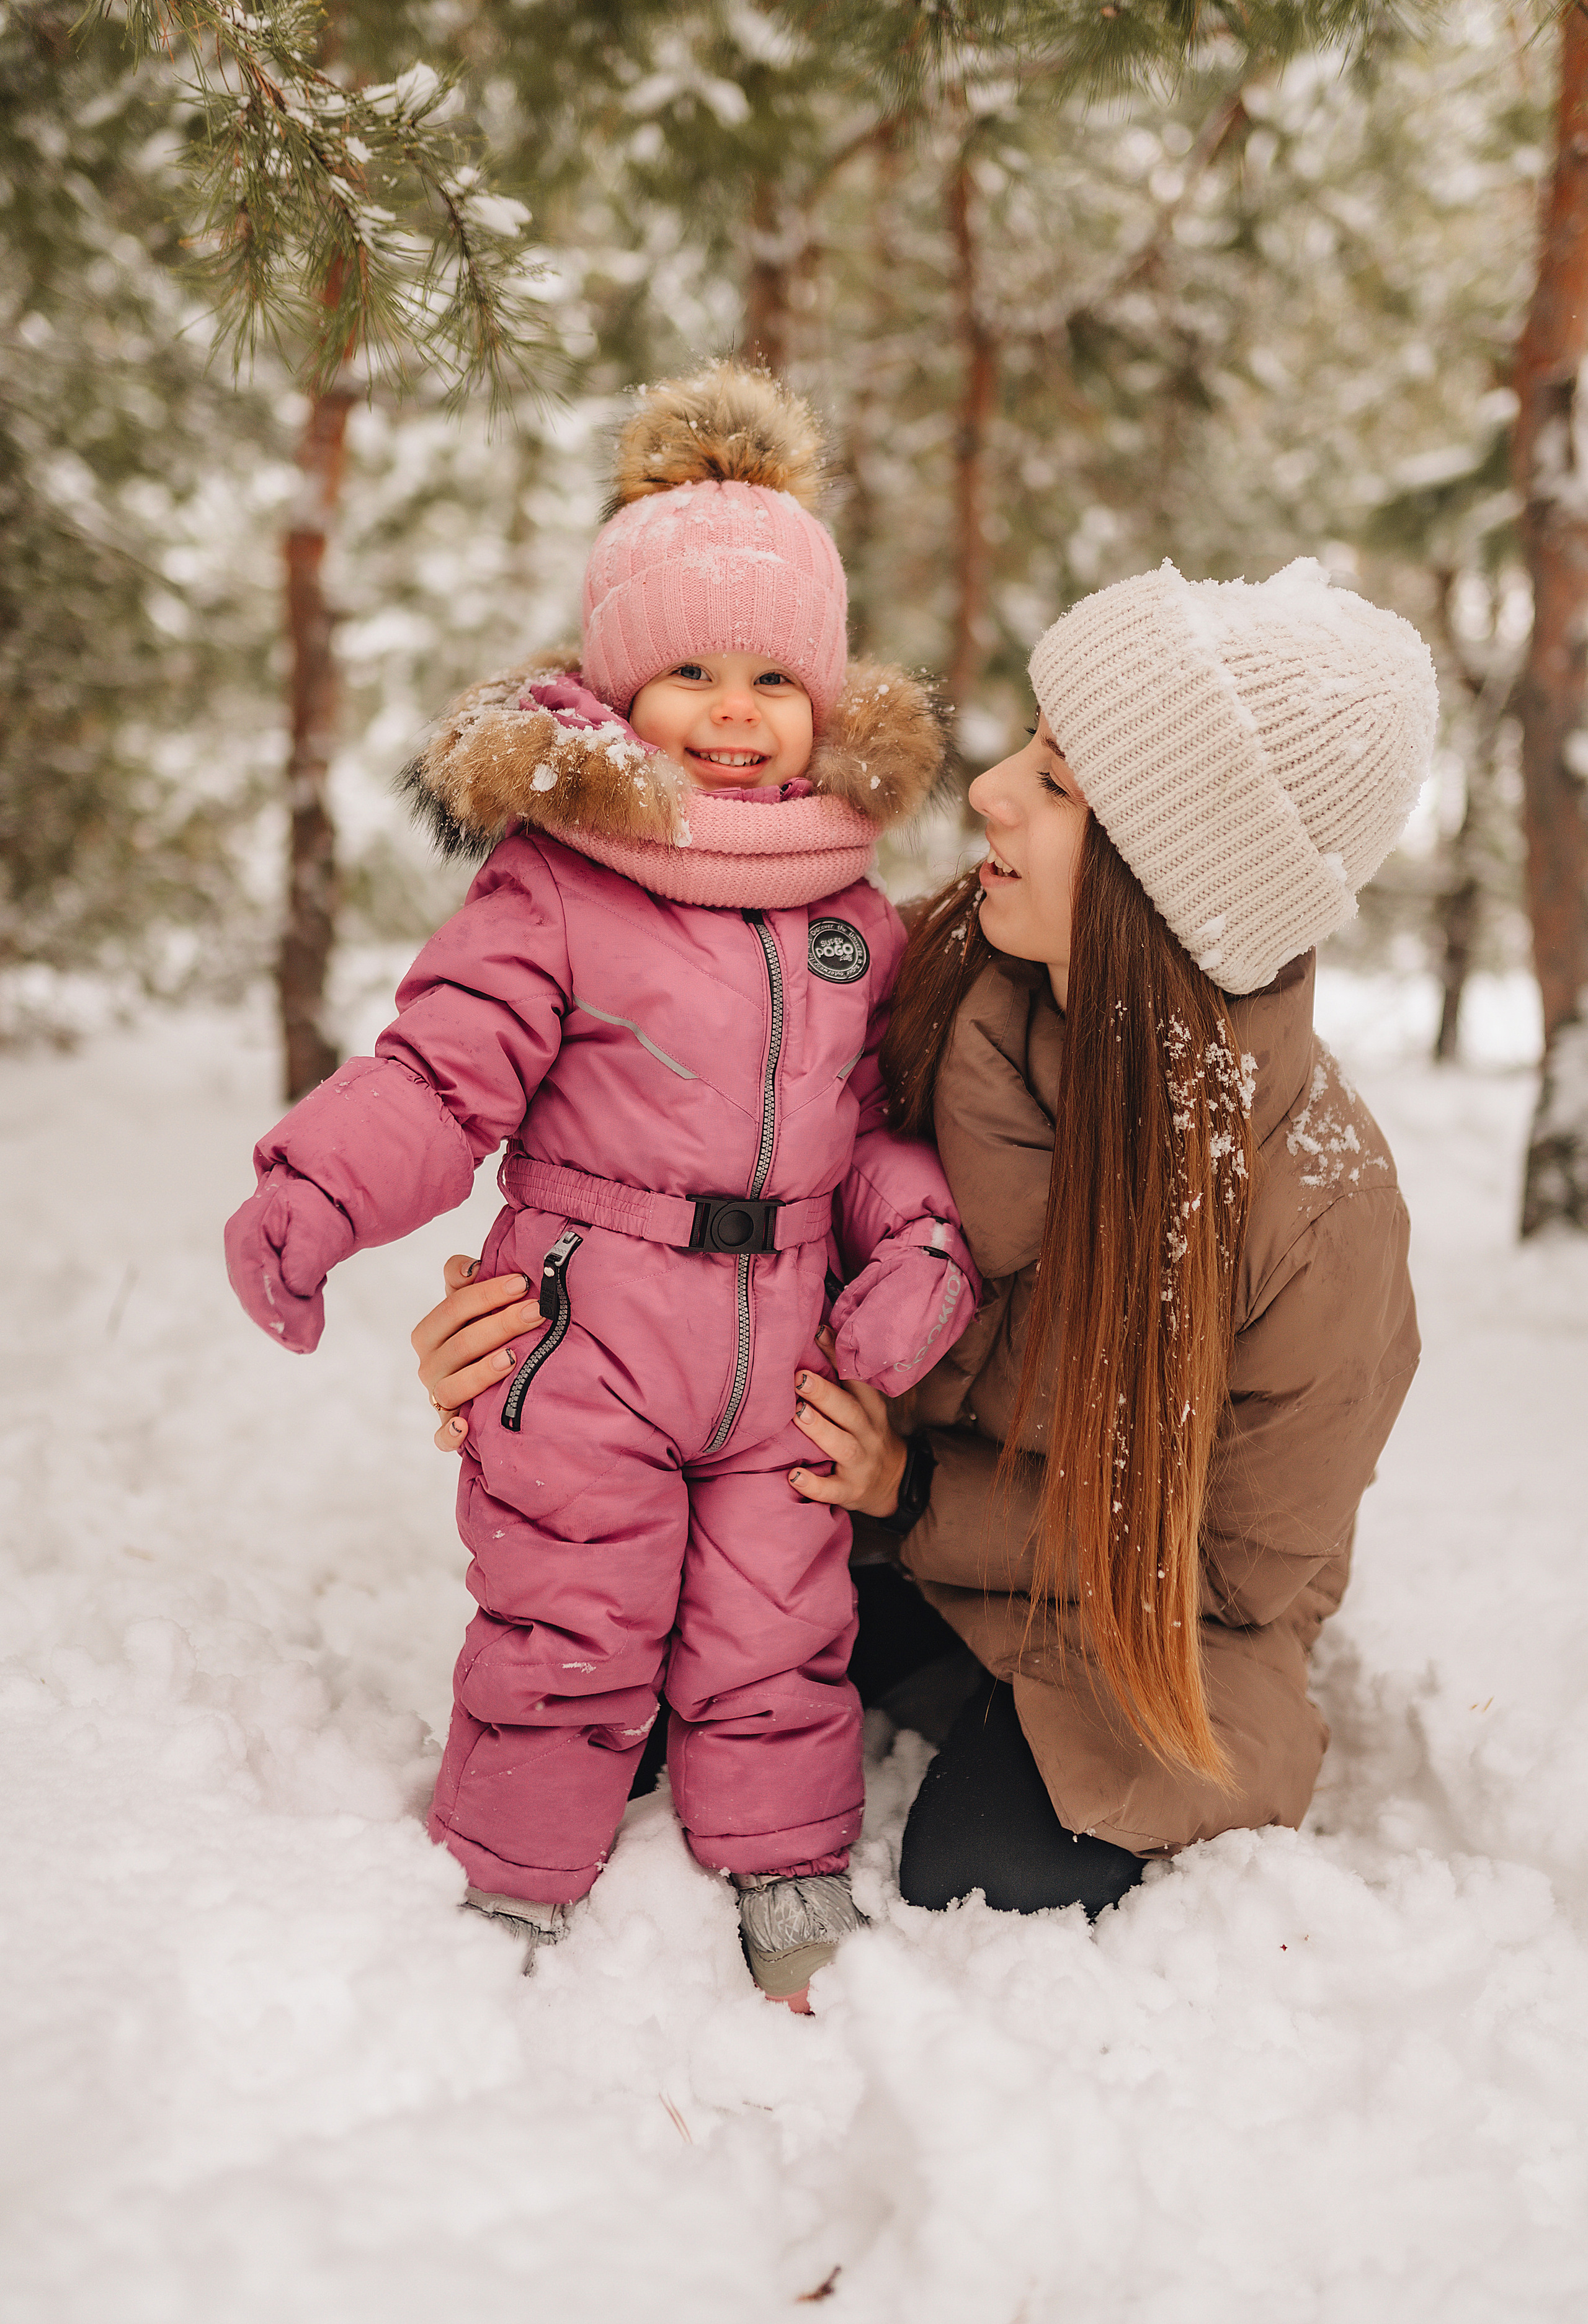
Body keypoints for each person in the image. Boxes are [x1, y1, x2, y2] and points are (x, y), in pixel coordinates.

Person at [417, 554, 1434, 1923]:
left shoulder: (1317, 1210)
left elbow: (1236, 1566)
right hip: (858, 1519)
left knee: (992, 1867)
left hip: (1140, 1616)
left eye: (1057, 784)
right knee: (615, 1690)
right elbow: (677, 1173)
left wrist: (911, 1490)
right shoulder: (922, 974)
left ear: (1170, 886)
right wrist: (545, 1320)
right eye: (1027, 744)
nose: (988, 791)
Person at [223, 365, 979, 2006]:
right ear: (619, 688)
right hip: (587, 1320)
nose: (732, 708)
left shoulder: (851, 908)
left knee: (779, 1620)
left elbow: (877, 1123)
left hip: (784, 1337)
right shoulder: (557, 884)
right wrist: (320, 1190)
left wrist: (919, 1240)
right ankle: (512, 1868)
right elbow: (442, 1071)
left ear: (824, 695)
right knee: (568, 1606)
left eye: (771, 674)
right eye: (689, 669)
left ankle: (784, 1862)